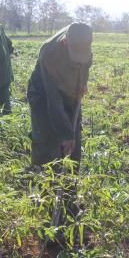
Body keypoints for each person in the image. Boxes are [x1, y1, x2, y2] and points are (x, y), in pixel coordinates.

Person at [26, 23, 92, 235]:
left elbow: (84, 68)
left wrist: (81, 85)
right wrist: (65, 134)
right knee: (49, 147)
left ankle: (69, 203)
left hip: (71, 95)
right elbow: (53, 102)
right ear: (65, 43)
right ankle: (48, 203)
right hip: (44, 95)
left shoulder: (85, 47)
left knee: (74, 150)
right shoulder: (49, 53)